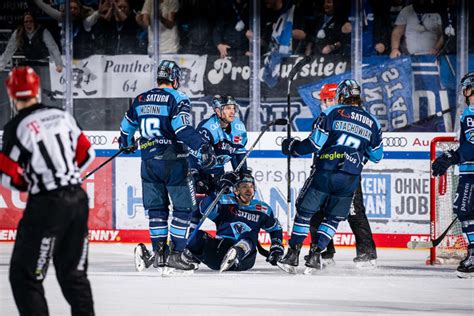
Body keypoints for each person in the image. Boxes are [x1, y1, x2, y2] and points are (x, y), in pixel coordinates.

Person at [0, 66, 95, 315]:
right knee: (74, 275)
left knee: (25, 276)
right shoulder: (61, 115)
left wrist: (33, 183)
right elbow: (87, 154)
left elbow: (8, 175)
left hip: (46, 205)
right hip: (77, 198)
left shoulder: (16, 126)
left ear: (11, 94)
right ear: (37, 90)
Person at [278, 79, 383, 274]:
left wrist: (293, 147)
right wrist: (357, 155)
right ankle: (318, 254)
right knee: (333, 217)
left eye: (328, 98)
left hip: (326, 171)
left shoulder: (332, 113)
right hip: (350, 177)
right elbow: (377, 155)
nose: (324, 102)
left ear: (340, 96)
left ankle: (293, 255)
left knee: (306, 210)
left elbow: (314, 145)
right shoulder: (372, 121)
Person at [121, 59, 216, 273]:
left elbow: (126, 127)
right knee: (184, 209)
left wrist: (125, 144)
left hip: (148, 163)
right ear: (174, 78)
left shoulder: (140, 99)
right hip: (173, 161)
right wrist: (202, 146)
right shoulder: (178, 98)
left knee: (156, 210)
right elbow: (181, 129)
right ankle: (175, 255)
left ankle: (159, 255)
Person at [307, 83, 378, 269]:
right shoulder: (325, 118)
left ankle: (367, 253)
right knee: (317, 213)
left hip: (345, 173)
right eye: (323, 100)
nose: (323, 103)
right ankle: (324, 253)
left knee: (354, 211)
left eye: (327, 99)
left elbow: (370, 150)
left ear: (337, 99)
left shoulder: (347, 119)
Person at [186, 172, 284, 272]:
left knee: (247, 239)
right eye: (244, 186)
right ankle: (188, 256)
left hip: (245, 258)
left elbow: (275, 228)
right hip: (220, 250)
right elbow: (205, 209)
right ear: (236, 190)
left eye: (251, 186)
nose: (248, 190)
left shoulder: (263, 209)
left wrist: (276, 247)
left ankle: (236, 253)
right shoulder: (225, 201)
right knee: (194, 235)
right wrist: (216, 191)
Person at [432, 72, 474, 279]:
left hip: (472, 174)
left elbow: (471, 148)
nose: (464, 93)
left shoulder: (471, 113)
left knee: (464, 210)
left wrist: (450, 157)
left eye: (466, 88)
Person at [189, 95, 248, 195]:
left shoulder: (239, 127)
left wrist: (242, 175)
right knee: (200, 201)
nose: (232, 111)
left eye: (233, 108)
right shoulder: (208, 128)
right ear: (218, 111)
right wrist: (196, 177)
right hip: (198, 170)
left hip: (218, 171)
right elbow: (193, 155)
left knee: (223, 205)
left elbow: (239, 153)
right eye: (228, 108)